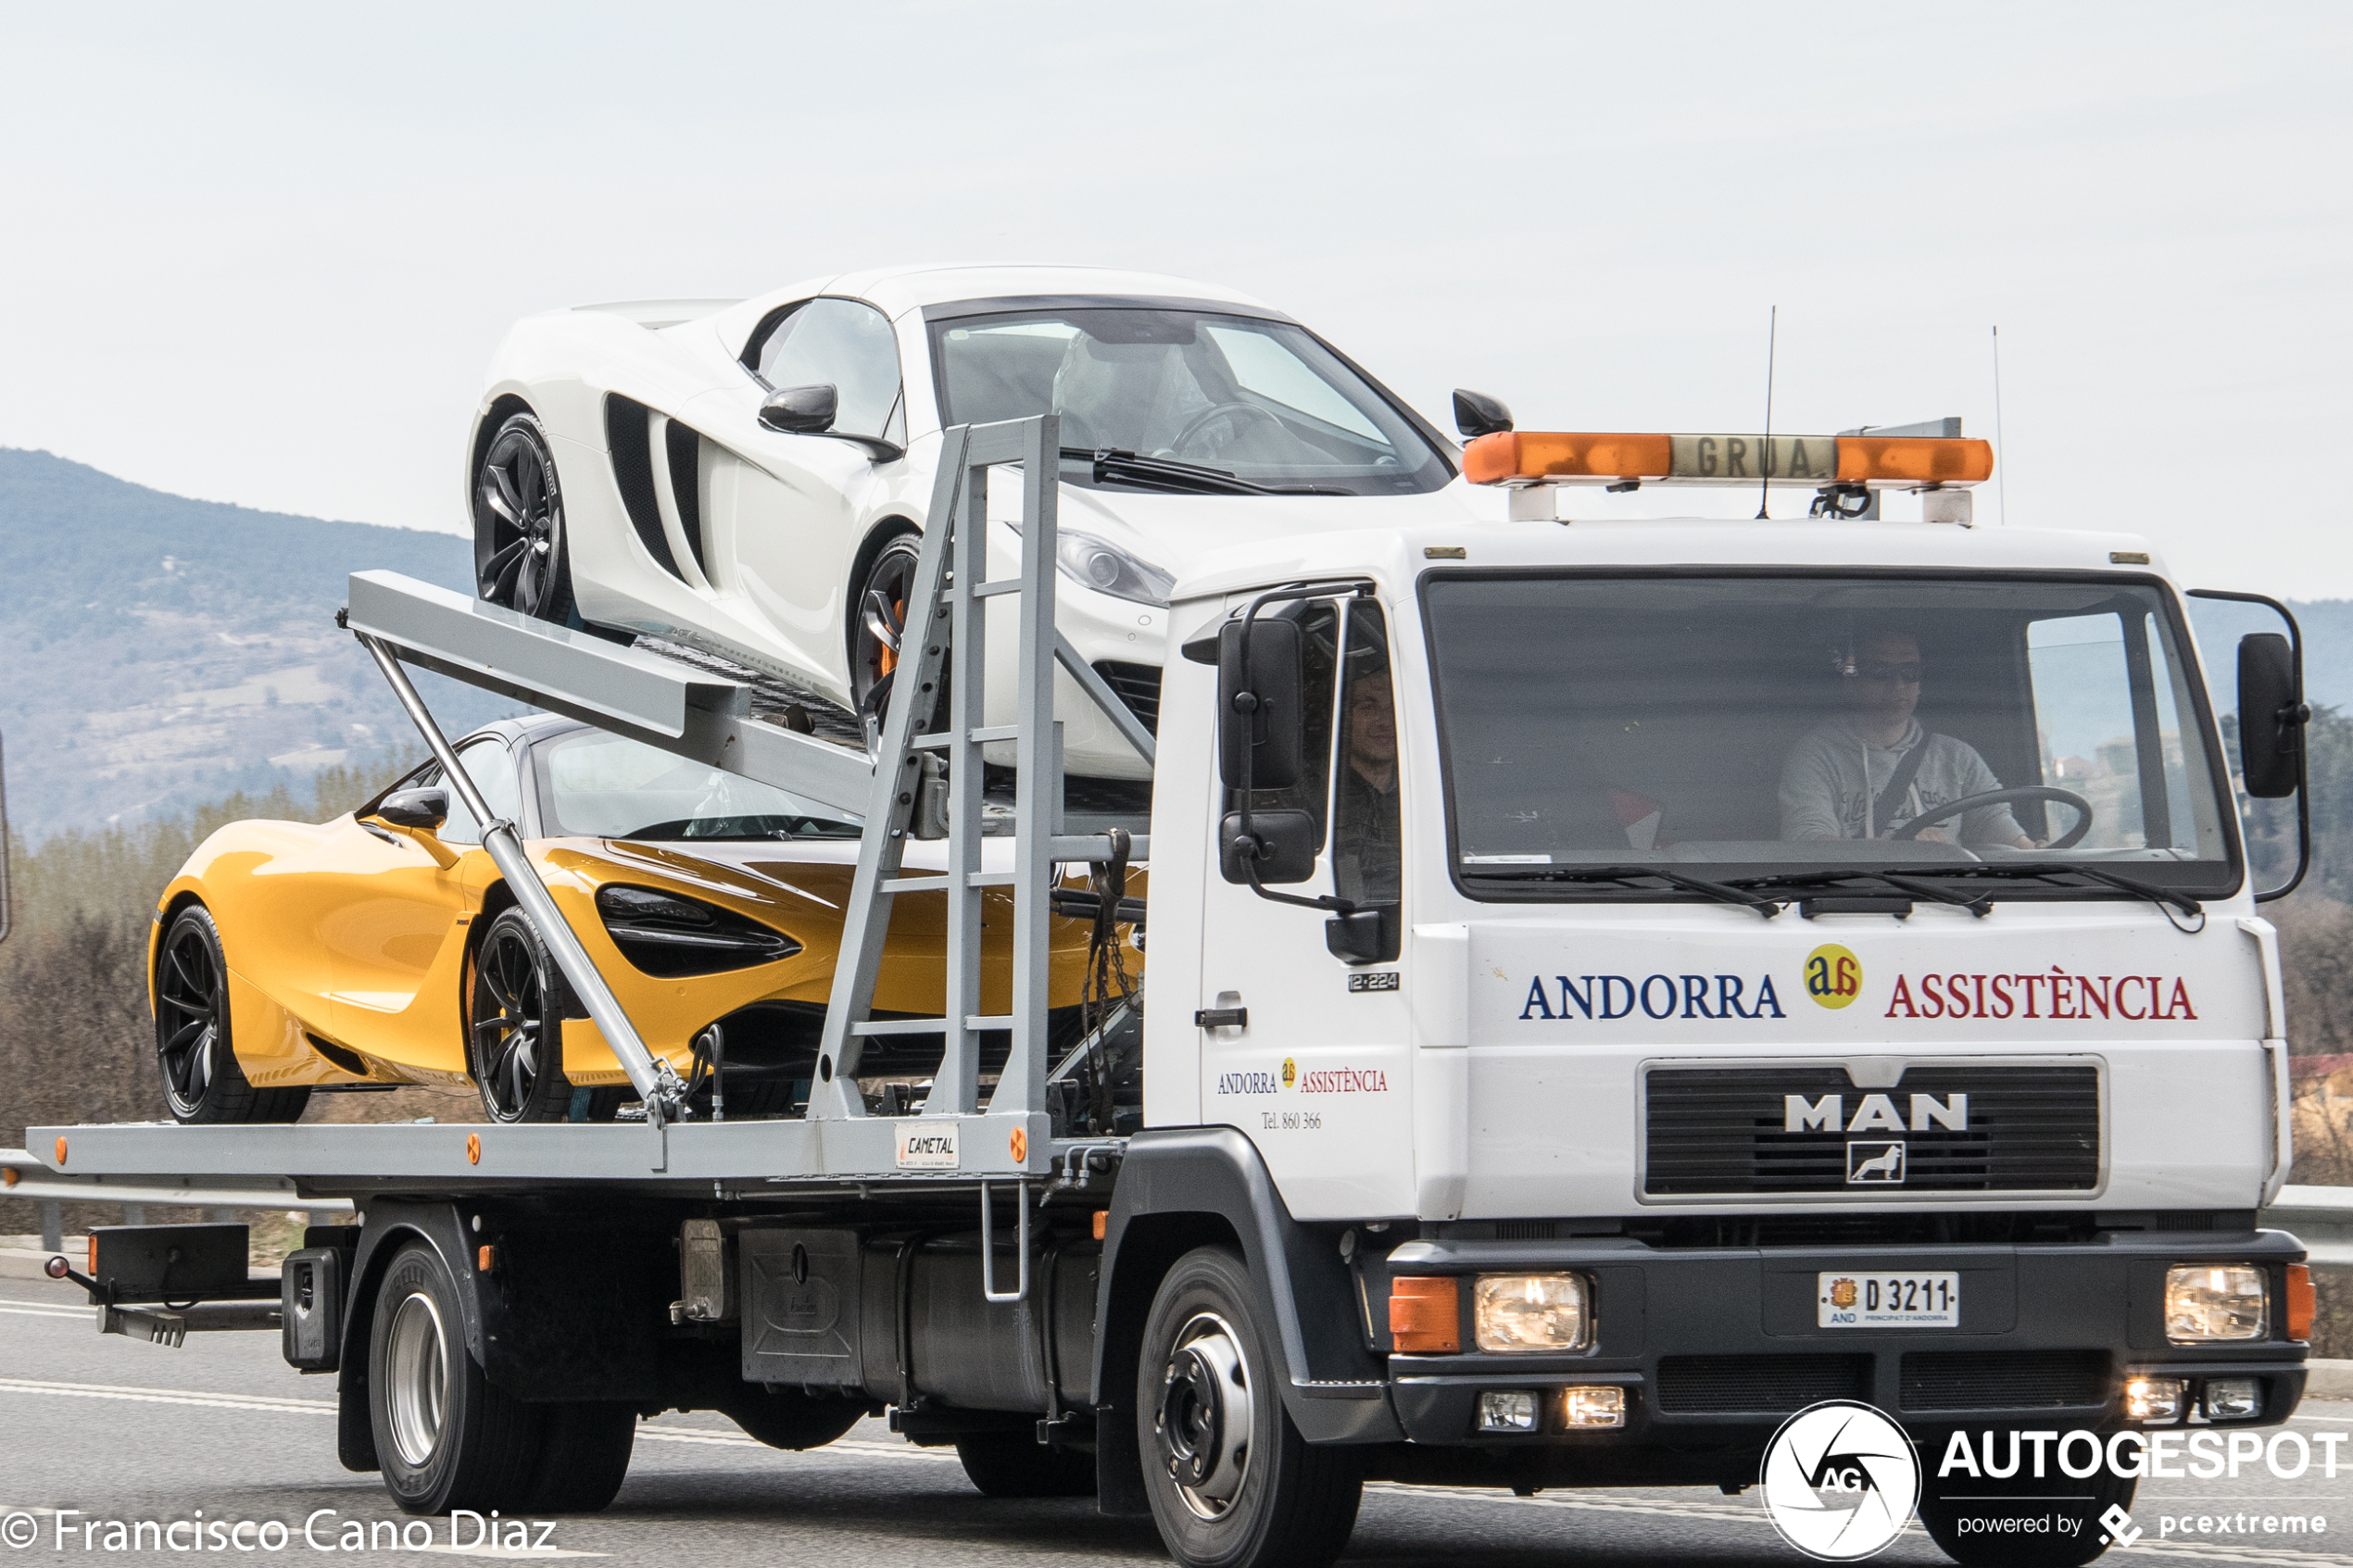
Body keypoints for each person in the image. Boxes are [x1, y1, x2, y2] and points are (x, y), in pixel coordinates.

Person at [1780, 628, 2041, 848]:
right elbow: (1807, 843)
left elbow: (1996, 824)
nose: (1898, 685)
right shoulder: (1815, 756)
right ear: (1852, 680)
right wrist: (1902, 850)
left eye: (1910, 672)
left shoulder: (1958, 758)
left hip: (1953, 902)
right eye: (1880, 672)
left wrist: (2034, 851)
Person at [1331, 664, 1401, 905]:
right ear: (1343, 718)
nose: (1385, 721)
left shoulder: (1429, 795)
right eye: (1369, 708)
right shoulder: (1322, 797)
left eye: (1394, 707)